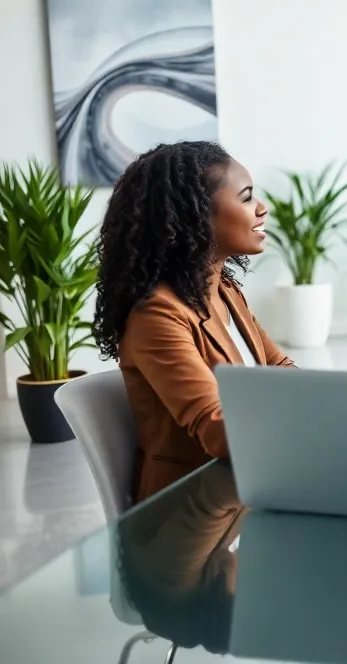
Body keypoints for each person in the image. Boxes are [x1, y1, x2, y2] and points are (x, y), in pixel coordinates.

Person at [93, 141, 295, 503]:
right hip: (190, 513)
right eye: (247, 197)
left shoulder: (226, 290)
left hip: (254, 482)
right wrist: (314, 420)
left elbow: (279, 367)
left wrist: (331, 406)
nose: (262, 209)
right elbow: (217, 429)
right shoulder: (156, 313)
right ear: (197, 215)